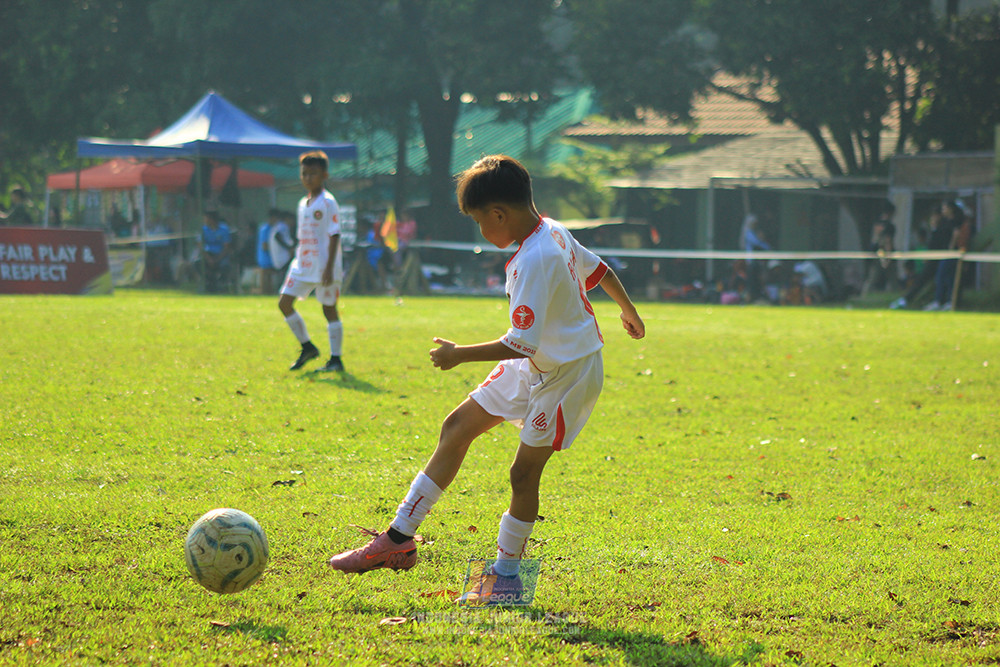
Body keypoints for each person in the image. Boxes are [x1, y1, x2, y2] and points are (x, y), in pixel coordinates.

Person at [326, 155, 646, 606]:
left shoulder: (536, 256)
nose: (480, 230)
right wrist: (628, 310)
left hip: (568, 374)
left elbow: (520, 343)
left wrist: (458, 355)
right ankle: (397, 541)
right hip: (536, 362)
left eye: (479, 221)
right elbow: (601, 272)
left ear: (499, 214)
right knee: (456, 426)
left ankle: (506, 580)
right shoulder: (551, 229)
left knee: (523, 473)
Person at [279, 151, 345, 372]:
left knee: (329, 309)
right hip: (302, 263)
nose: (308, 178)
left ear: (324, 175)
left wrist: (329, 268)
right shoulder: (302, 203)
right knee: (284, 303)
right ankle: (307, 347)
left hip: (325, 266)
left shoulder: (328, 202)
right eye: (304, 173)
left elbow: (335, 234)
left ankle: (336, 360)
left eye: (313, 173)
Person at [890, 205, 953, 309]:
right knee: (923, 280)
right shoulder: (936, 228)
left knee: (940, 280)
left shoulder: (943, 228)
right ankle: (907, 300)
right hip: (933, 260)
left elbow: (937, 244)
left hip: (939, 259)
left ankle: (940, 301)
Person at [925, 199, 974, 311]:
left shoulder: (956, 221)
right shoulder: (945, 221)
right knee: (945, 277)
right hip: (945, 253)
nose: (943, 210)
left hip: (952, 254)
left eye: (944, 208)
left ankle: (944, 301)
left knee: (944, 276)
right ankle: (943, 301)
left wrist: (951, 247)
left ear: (950, 209)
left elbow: (956, 234)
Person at [200, 210, 232, 293]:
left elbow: (227, 247)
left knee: (225, 266)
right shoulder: (203, 230)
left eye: (206, 218)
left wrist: (217, 259)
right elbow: (200, 246)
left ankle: (222, 285)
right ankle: (210, 283)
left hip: (221, 255)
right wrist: (209, 259)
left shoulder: (224, 229)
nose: (204, 220)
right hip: (209, 255)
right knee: (198, 263)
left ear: (212, 219)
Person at [269, 210, 295, 276]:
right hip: (284, 259)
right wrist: (289, 248)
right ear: (287, 219)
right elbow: (277, 236)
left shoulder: (276, 226)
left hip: (278, 261)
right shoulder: (283, 226)